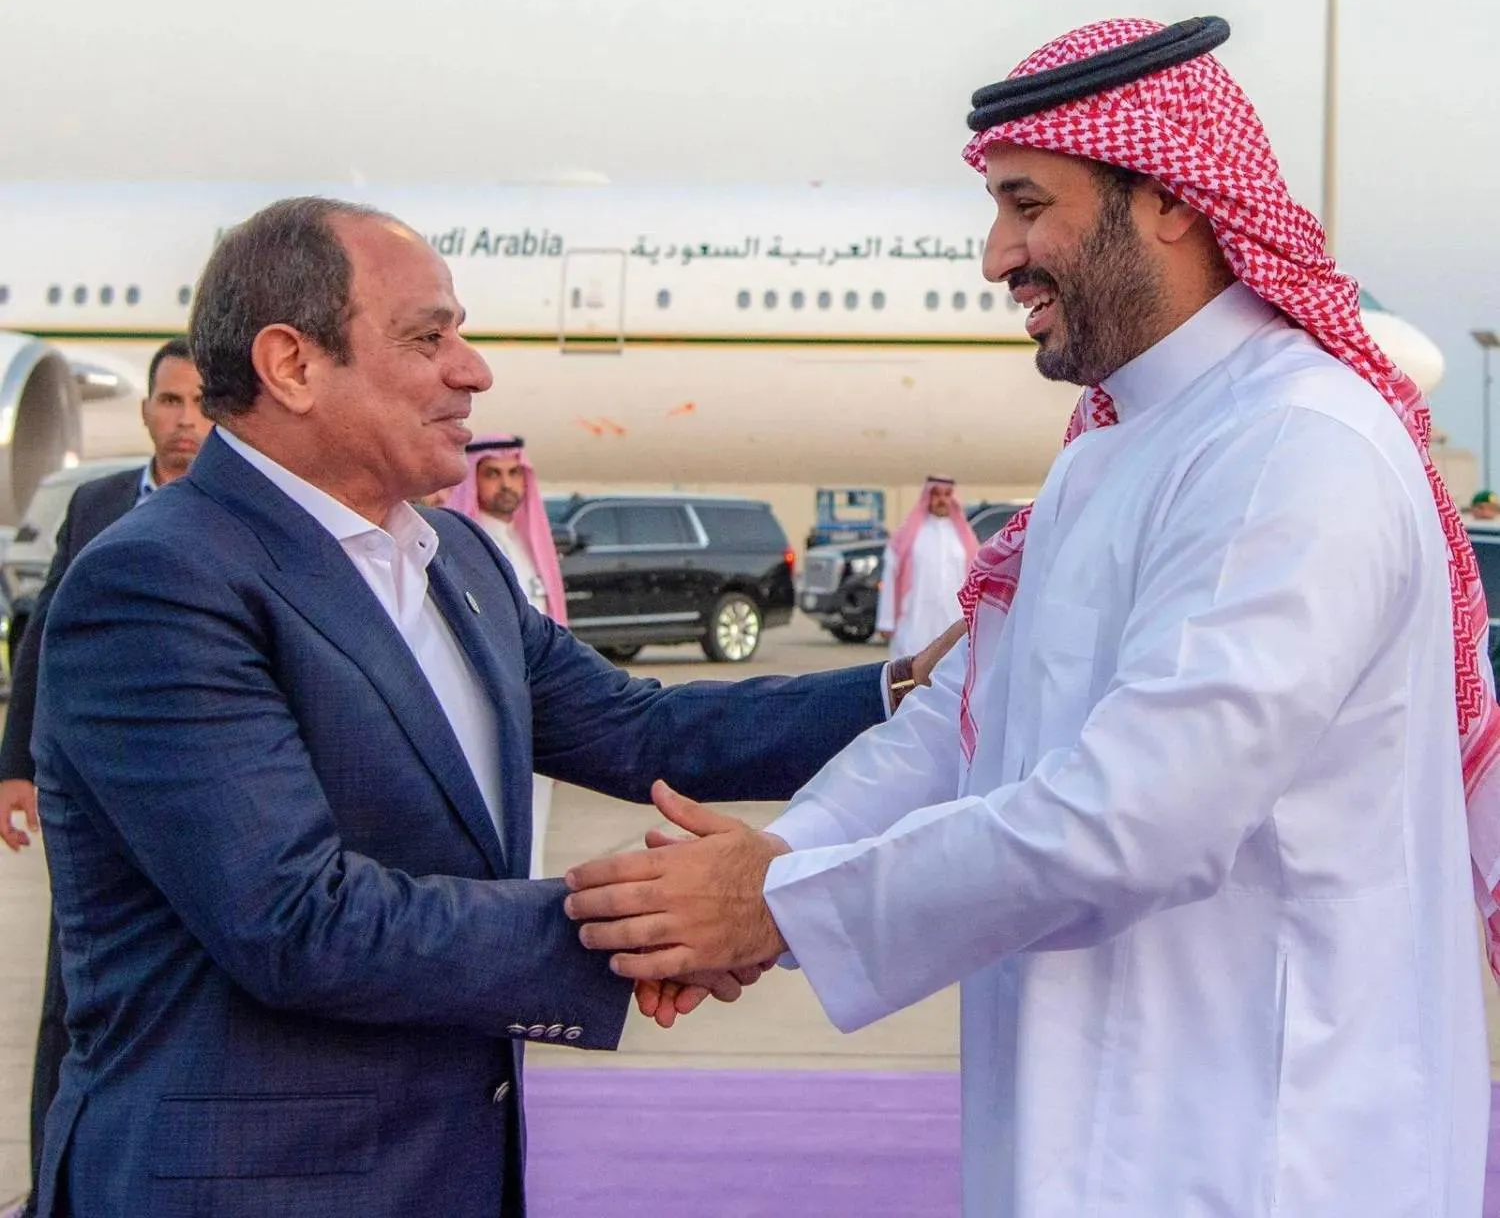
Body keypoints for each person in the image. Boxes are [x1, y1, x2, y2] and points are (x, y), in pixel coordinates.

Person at [562, 16, 1495, 1215]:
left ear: (1165, 195)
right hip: (1086, 1132)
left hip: (1267, 1147)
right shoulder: (1120, 448)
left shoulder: (1292, 449)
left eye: (1027, 204)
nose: (997, 255)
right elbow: (967, 718)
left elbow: (1134, 821)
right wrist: (790, 856)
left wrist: (777, 908)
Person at [28, 196, 954, 1218]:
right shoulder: (162, 583)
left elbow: (640, 730)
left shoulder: (453, 559)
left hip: (446, 1170)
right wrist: (670, 922)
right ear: (291, 364)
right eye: (430, 337)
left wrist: (908, 691)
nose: (473, 370)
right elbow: (296, 922)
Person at [0, 339, 210, 1218]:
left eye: (200, 402)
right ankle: (56, 1180)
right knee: (73, 990)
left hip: (200, 795)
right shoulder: (94, 506)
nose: (184, 420)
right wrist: (14, 769)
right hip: (93, 797)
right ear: (146, 411)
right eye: (169, 401)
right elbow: (42, 638)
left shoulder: (236, 508)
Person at [445, 434, 566, 875]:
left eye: (515, 473)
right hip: (490, 715)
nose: (506, 484)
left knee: (533, 835)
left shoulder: (527, 543)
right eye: (492, 474)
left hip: (538, 712)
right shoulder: (464, 548)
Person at [875, 476, 979, 653]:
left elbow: (976, 581)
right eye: (936, 494)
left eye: (947, 494)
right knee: (910, 674)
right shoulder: (908, 536)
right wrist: (886, 621)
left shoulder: (964, 539)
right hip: (914, 623)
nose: (942, 499)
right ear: (928, 497)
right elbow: (891, 579)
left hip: (953, 621)